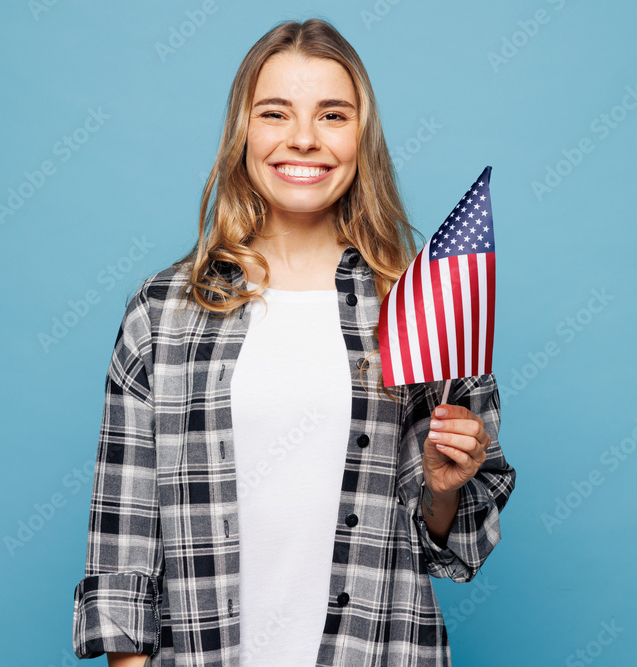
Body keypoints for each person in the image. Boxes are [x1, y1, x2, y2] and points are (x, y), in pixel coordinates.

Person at [72, 18, 515, 667]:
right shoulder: (163, 312)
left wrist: (444, 488)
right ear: (243, 132)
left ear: (361, 137)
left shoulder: (418, 300)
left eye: (331, 115)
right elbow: (122, 547)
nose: (303, 138)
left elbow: (450, 547)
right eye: (275, 113)